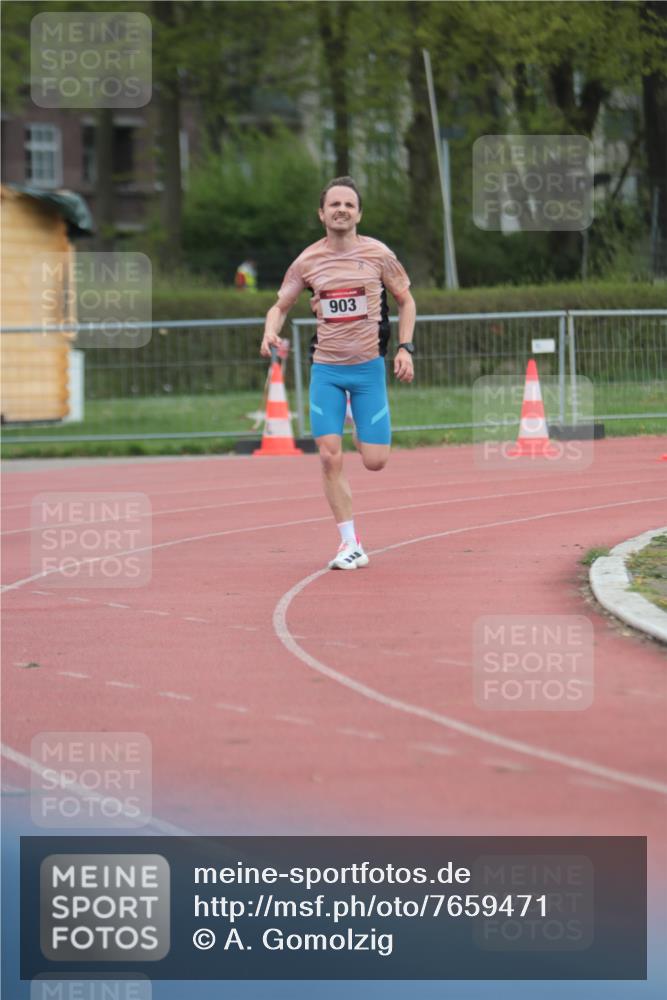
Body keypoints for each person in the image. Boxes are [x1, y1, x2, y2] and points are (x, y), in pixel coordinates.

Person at [260, 176, 416, 570]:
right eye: (334, 205)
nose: (342, 210)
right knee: (329, 457)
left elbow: (406, 300)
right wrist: (270, 329)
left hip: (368, 371)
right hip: (327, 370)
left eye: (349, 204)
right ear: (322, 214)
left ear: (359, 213)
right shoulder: (307, 261)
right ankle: (350, 542)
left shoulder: (379, 254)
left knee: (375, 461)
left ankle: (356, 416)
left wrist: (405, 347)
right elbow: (280, 305)